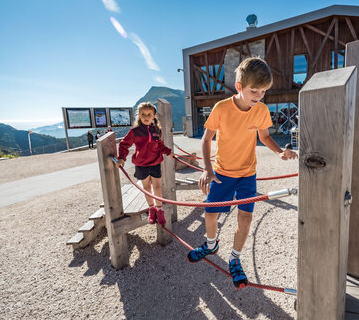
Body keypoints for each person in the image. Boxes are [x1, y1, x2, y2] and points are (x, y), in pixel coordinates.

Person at [186, 57, 298, 289]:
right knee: (210, 214)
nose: (258, 96)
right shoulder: (222, 108)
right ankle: (210, 245)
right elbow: (206, 140)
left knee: (245, 218)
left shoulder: (262, 110)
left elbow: (264, 136)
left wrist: (279, 153)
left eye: (264, 91)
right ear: (239, 87)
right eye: (254, 90)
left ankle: (235, 258)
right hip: (222, 173)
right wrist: (207, 169)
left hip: (248, 174)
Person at [115, 102, 174, 225]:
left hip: (155, 162)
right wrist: (121, 158)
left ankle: (159, 210)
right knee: (147, 188)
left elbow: (159, 145)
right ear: (139, 116)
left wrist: (168, 152)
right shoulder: (134, 131)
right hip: (141, 164)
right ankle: (151, 209)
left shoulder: (156, 130)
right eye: (143, 114)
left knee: (157, 187)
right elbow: (124, 144)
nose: (146, 117)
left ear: (153, 116)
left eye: (149, 114)